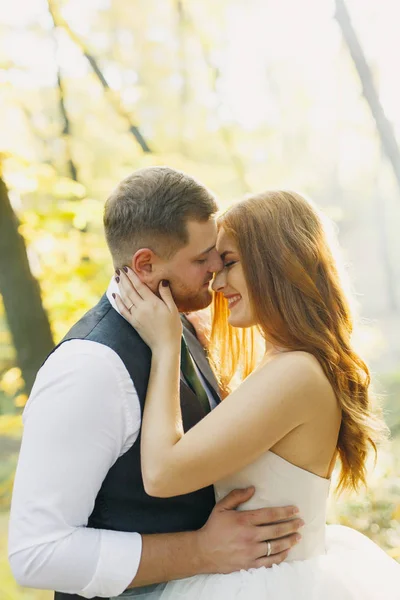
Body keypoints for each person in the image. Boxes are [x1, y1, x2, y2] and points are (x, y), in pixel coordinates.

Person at [8, 168, 303, 600]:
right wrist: (200, 551)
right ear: (145, 264)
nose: (216, 269)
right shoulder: (88, 369)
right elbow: (36, 553)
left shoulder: (177, 324)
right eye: (202, 258)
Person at [115, 189, 400, 599]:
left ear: (275, 262)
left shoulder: (296, 372)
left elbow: (161, 475)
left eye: (228, 263)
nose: (217, 282)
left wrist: (166, 346)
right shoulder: (284, 365)